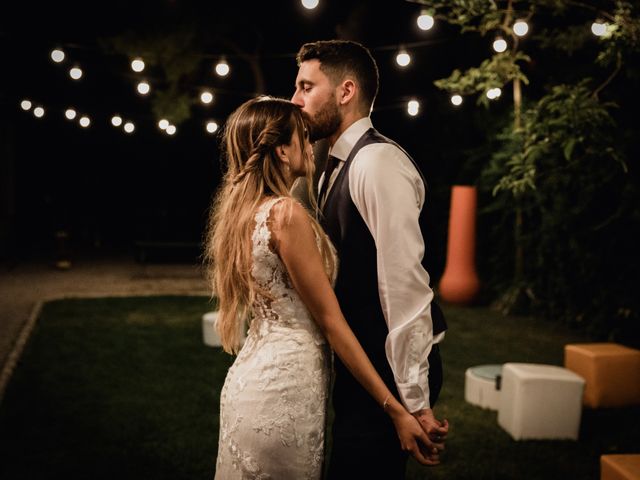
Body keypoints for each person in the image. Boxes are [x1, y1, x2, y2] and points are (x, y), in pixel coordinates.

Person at [205, 96, 435, 480]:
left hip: (250, 383)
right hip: (283, 397)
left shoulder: (243, 213)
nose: (311, 146)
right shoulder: (285, 214)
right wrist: (396, 410)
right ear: (282, 150)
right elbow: (331, 322)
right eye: (303, 138)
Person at [291, 40, 449, 479]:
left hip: (391, 368)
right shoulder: (330, 162)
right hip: (364, 365)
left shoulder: (376, 163)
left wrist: (412, 402)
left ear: (345, 92)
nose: (295, 100)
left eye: (307, 87)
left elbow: (404, 286)